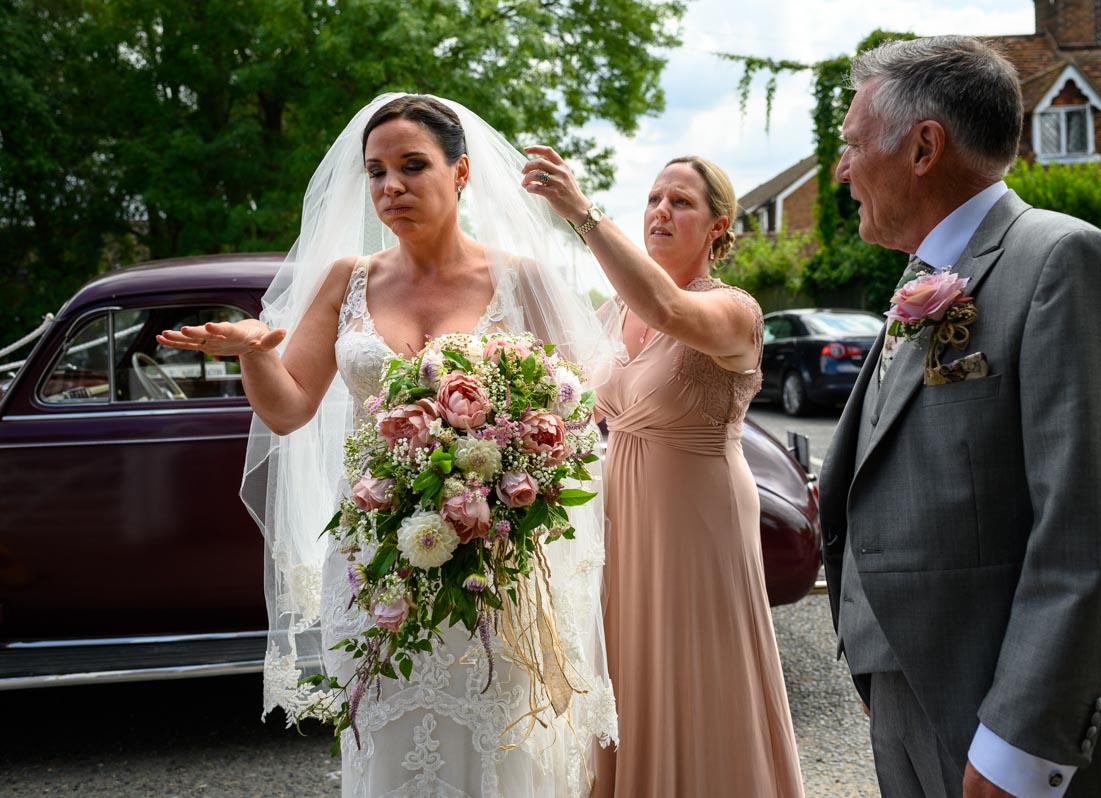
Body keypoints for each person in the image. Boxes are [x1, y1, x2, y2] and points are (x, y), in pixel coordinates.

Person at [157, 94, 621, 797]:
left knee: (495, 744)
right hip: (374, 559)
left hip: (496, 567)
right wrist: (254, 354)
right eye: (376, 172)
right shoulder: (349, 280)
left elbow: (582, 413)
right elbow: (288, 410)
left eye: (411, 166)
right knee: (393, 743)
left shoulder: (522, 279)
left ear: (460, 172)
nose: (390, 187)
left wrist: (508, 473)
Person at [818, 35, 1101, 797]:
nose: (842, 169)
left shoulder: (1063, 262)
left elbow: (1093, 529)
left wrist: (1020, 744)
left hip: (998, 724)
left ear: (923, 147)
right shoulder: (926, 276)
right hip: (911, 694)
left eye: (852, 145)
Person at [521, 149, 806, 797]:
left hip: (697, 521)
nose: (661, 211)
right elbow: (555, 393)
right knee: (625, 668)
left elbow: (671, 311)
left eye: (681, 201)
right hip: (618, 518)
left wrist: (579, 212)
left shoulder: (733, 310)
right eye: (653, 198)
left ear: (718, 226)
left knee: (699, 671)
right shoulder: (608, 316)